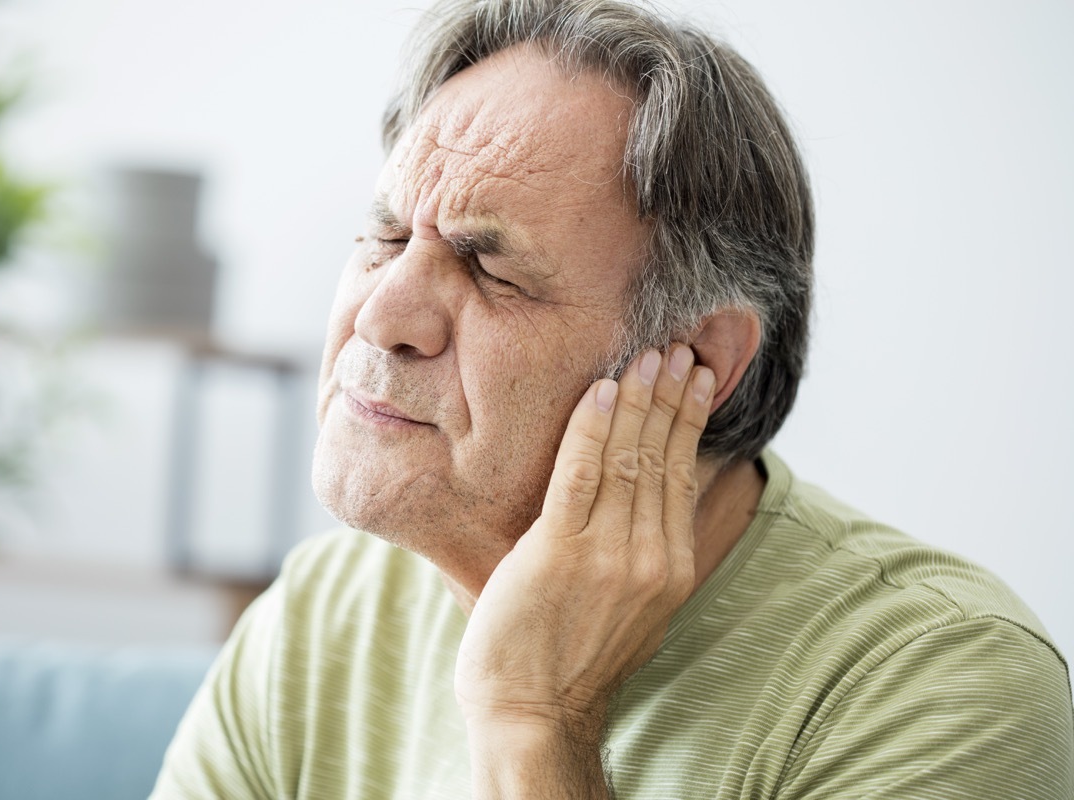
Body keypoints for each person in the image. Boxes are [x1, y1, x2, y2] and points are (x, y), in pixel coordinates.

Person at [151, 1, 1074, 797]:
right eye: (386, 236)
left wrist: (535, 722)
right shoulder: (325, 612)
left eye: (489, 268)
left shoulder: (935, 683)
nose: (382, 314)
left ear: (699, 363)